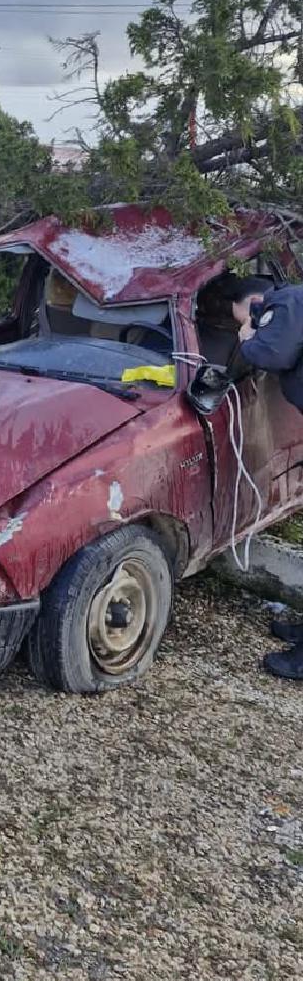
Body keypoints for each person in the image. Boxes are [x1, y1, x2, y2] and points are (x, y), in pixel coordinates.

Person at [227, 274, 303, 679]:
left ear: (256, 303)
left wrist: (246, 336)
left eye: (241, 315)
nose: (241, 322)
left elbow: (271, 355)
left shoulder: (285, 304)